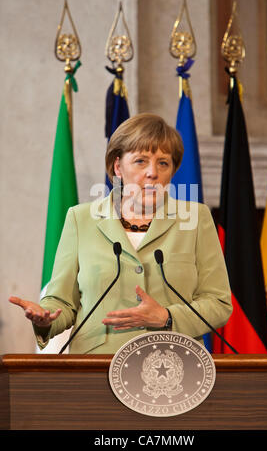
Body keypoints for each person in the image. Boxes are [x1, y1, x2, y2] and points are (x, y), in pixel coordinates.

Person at [9, 113, 232, 354]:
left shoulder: (196, 219)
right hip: (95, 366)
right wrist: (46, 319)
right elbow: (62, 301)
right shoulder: (81, 219)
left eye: (163, 163)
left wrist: (166, 316)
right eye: (140, 161)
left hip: (173, 365)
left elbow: (218, 304)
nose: (152, 172)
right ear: (118, 166)